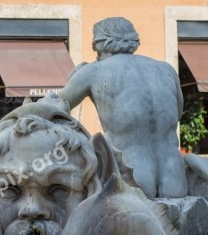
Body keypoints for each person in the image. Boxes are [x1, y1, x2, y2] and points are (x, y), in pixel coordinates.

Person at [57, 17, 187, 198]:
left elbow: (52, 109)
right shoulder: (166, 70)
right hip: (175, 179)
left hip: (131, 177)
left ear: (100, 44)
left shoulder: (94, 71)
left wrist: (74, 79)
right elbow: (178, 114)